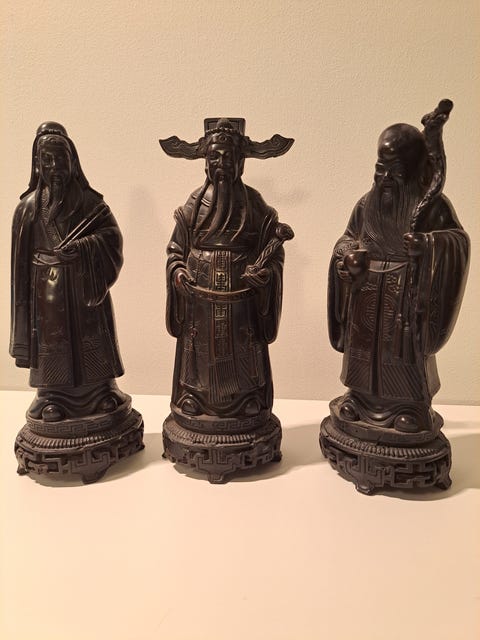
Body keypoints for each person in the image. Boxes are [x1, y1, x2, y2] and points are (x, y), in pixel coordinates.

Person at [161, 118, 293, 481]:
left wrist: (266, 274)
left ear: (241, 161)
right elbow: (175, 250)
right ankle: (194, 402)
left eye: (229, 157)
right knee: (199, 356)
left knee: (242, 353)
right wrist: (178, 272)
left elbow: (273, 251)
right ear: (205, 161)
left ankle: (247, 403)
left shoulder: (255, 204)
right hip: (200, 302)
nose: (222, 163)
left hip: (241, 303)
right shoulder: (194, 204)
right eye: (215, 157)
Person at [10, 122, 127, 422]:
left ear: (72, 160)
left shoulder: (92, 204)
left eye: (60, 159)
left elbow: (112, 239)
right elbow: (19, 270)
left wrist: (85, 248)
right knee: (53, 346)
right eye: (46, 160)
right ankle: (52, 397)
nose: (54, 167)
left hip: (85, 290)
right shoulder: (28, 208)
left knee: (92, 343)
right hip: (46, 297)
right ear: (37, 165)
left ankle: (102, 391)